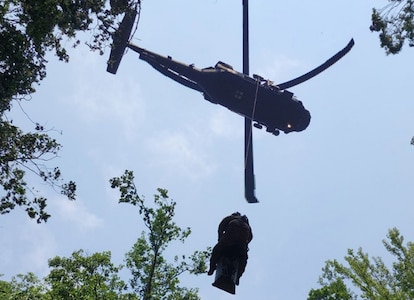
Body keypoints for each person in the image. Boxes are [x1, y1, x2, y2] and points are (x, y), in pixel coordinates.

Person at [208, 212, 253, 285]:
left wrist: (220, 239)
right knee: (243, 260)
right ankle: (238, 277)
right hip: (241, 246)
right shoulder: (247, 225)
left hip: (229, 241)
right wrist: (245, 245)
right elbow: (250, 237)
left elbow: (220, 227)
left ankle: (212, 268)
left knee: (216, 251)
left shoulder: (230, 218)